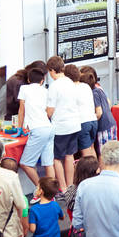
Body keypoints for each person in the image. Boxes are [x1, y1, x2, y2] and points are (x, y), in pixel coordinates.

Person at [17, 68, 56, 191]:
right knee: (48, 163)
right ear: (42, 81)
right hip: (49, 128)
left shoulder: (24, 88)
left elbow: (21, 110)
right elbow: (49, 110)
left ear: (28, 79)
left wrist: (20, 127)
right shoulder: (46, 91)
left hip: (38, 130)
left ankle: (42, 190)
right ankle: (52, 194)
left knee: (25, 163)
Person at [46, 55, 81, 192]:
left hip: (60, 127)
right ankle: (71, 185)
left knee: (56, 158)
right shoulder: (70, 82)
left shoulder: (54, 87)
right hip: (74, 124)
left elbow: (50, 110)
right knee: (69, 155)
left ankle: (63, 187)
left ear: (52, 70)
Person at [79, 65, 118, 150]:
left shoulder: (93, 93)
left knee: (103, 153)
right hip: (111, 123)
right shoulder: (99, 88)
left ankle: (102, 164)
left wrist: (91, 119)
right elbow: (108, 102)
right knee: (112, 151)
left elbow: (99, 112)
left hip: (103, 127)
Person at [65, 64, 98, 158]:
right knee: (92, 148)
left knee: (86, 153)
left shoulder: (70, 89)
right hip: (93, 120)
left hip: (83, 123)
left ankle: (89, 172)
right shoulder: (85, 86)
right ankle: (97, 170)